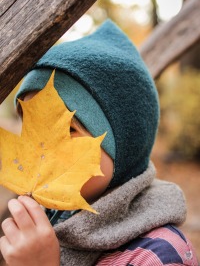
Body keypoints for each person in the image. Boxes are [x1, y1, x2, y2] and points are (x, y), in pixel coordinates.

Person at [0, 20, 198, 266]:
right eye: (31, 127)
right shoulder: (43, 226)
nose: (43, 146)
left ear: (124, 147)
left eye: (68, 129)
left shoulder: (158, 255)